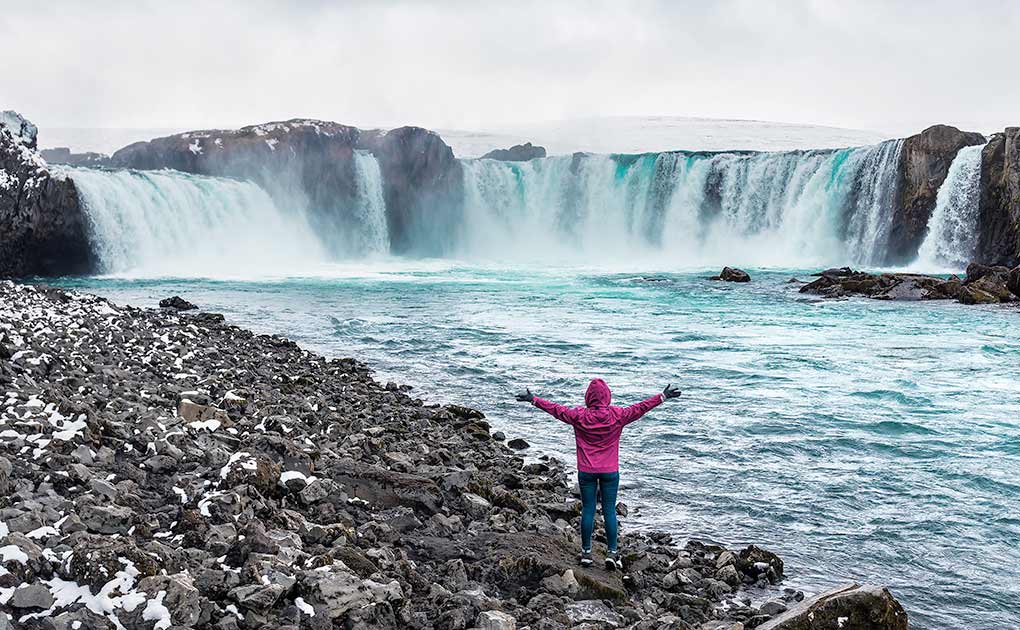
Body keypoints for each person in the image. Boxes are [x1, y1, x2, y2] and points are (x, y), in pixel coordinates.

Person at [515, 378, 681, 570]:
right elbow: (640, 408)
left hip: (586, 471)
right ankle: (611, 552)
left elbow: (556, 409)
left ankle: (586, 553)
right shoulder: (617, 415)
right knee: (610, 510)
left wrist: (533, 399)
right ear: (607, 396)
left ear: (588, 397)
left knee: (588, 509)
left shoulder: (579, 415)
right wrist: (662, 396)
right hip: (610, 471)